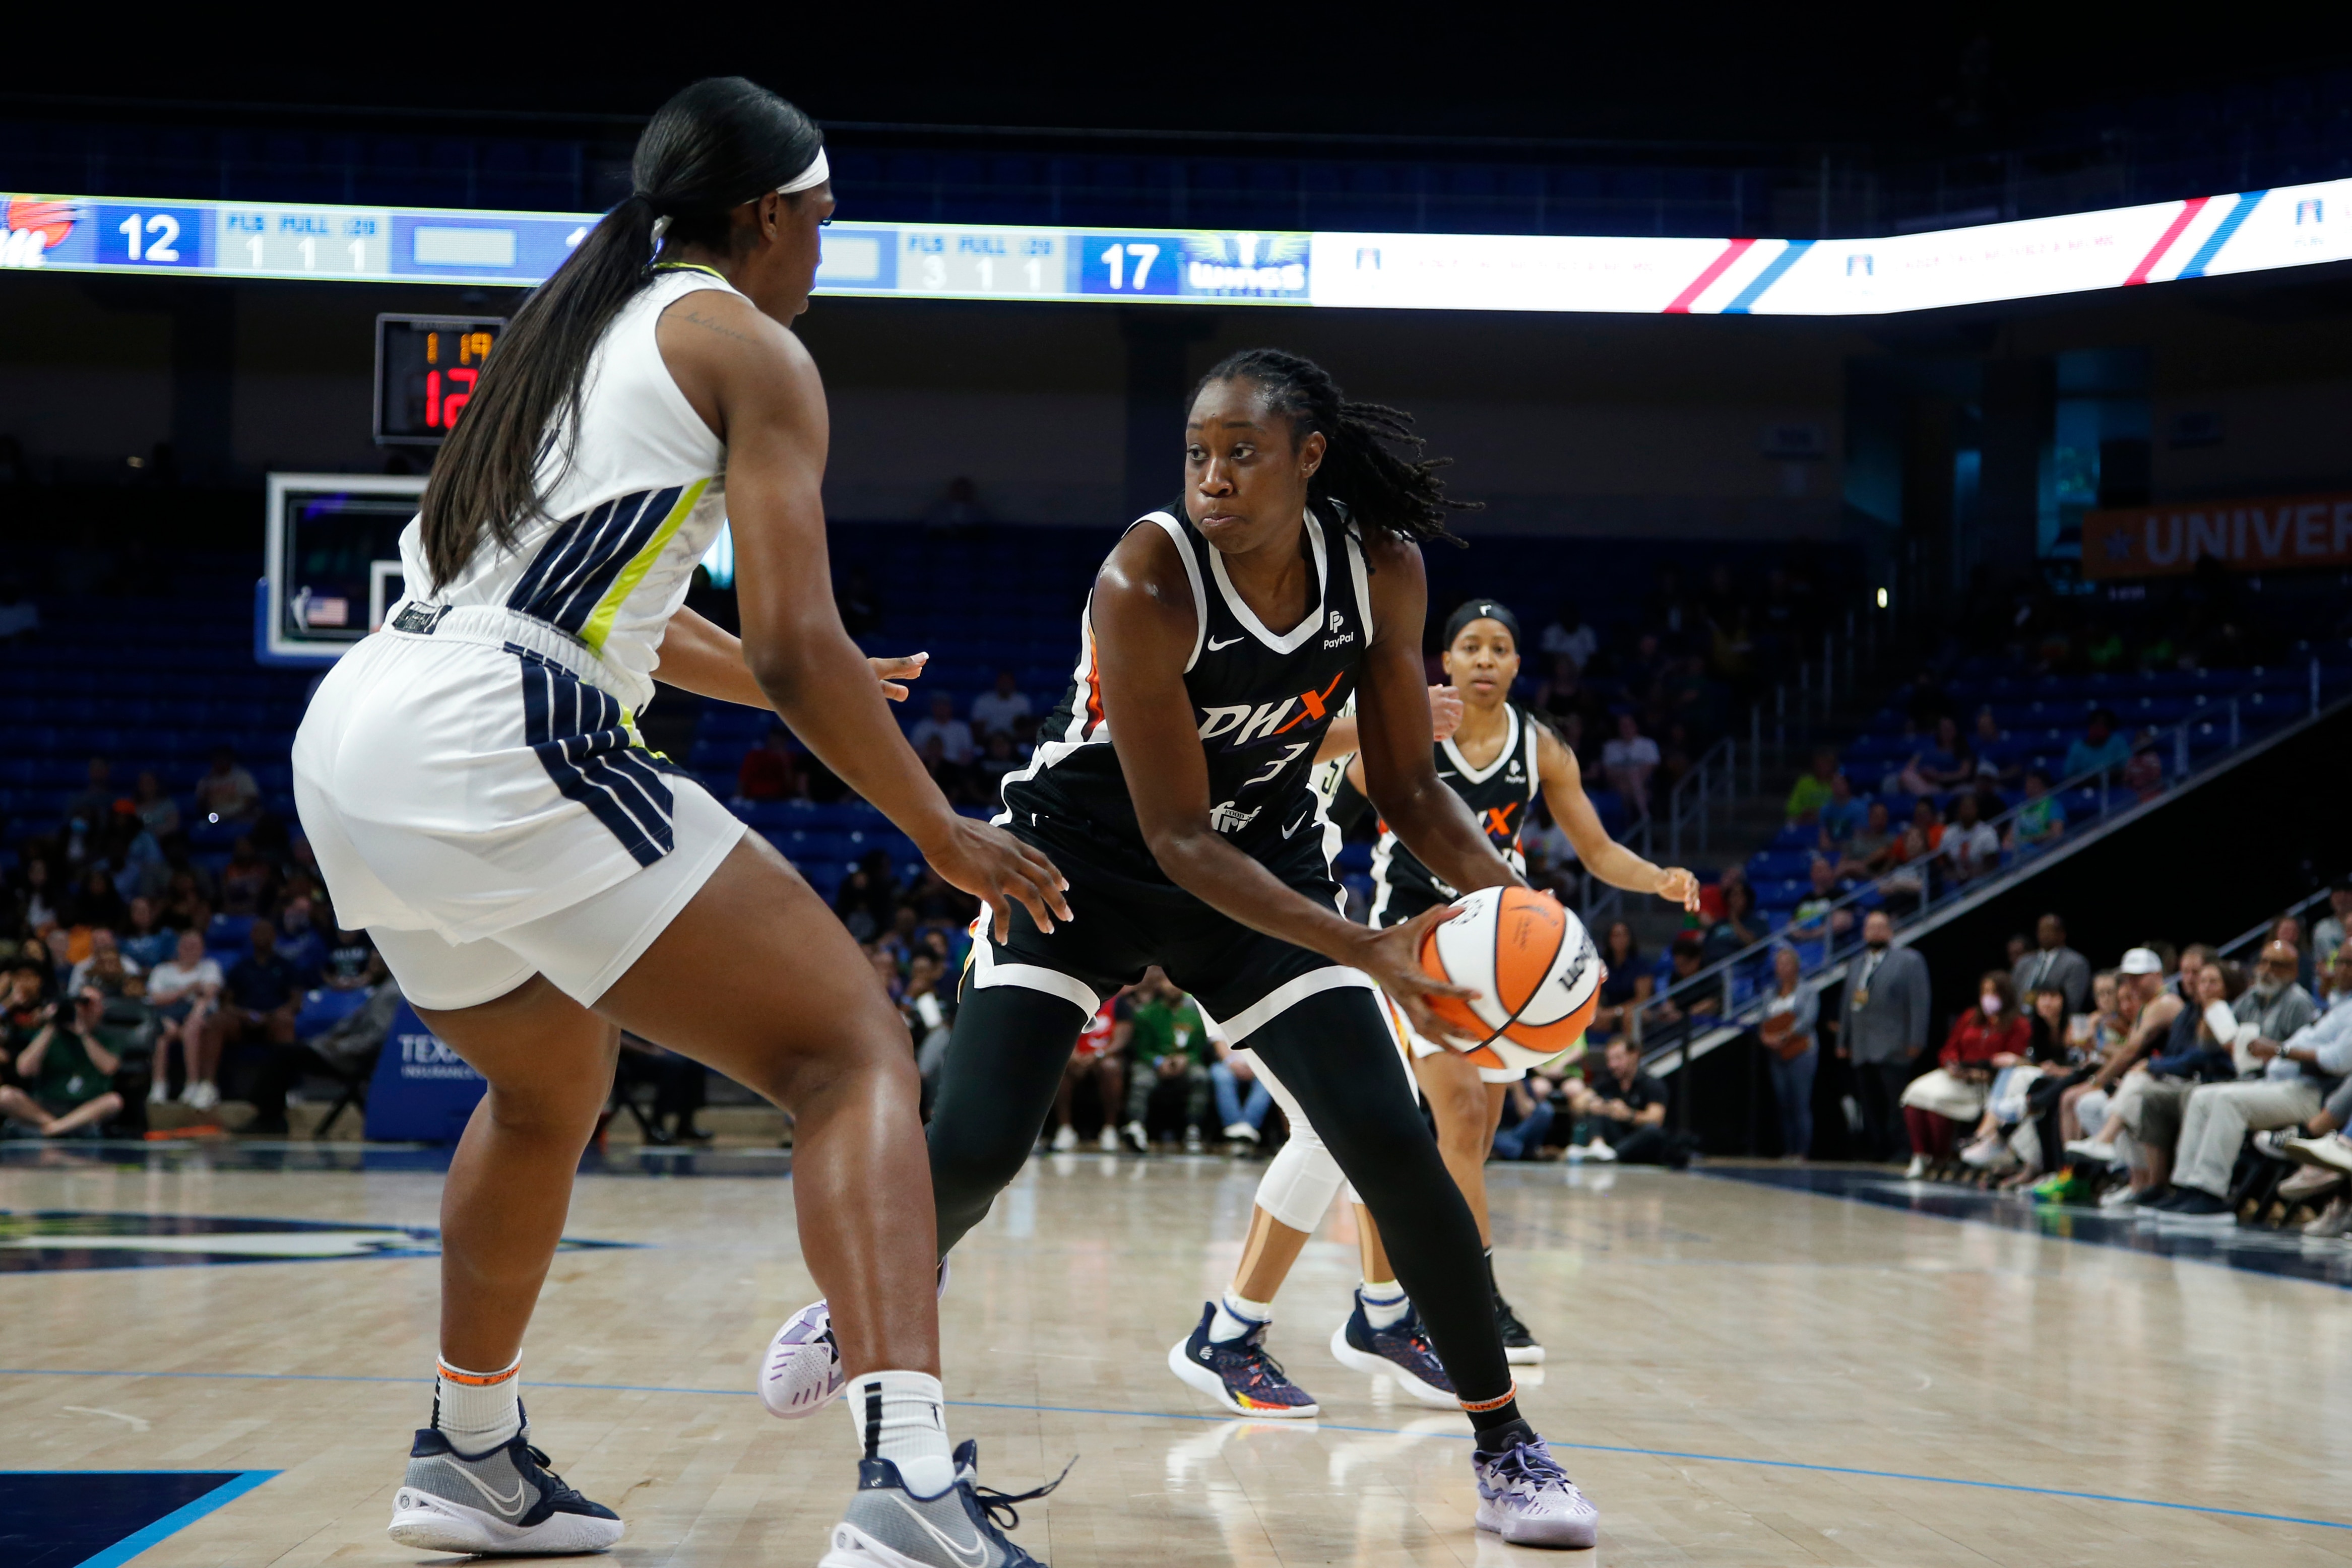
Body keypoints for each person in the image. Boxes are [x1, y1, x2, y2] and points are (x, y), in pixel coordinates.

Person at [288, 80, 1068, 1565]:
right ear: (769, 214)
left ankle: (468, 1448)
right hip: (497, 732)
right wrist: (935, 824)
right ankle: (906, 1479)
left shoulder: (558, 333)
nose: (825, 258)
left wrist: (800, 687)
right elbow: (790, 639)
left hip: (362, 729)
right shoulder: (749, 347)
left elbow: (606, 611)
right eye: (825, 225)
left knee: (545, 1084)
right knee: (849, 1052)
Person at [767, 348, 1600, 1547]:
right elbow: (1170, 834)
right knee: (979, 1141)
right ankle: (866, 1306)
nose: (1212, 474)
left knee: (1391, 1139)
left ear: (1308, 458)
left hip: (1259, 858)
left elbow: (1412, 786)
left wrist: (1530, 914)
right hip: (1082, 858)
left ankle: (1505, 1445)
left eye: (1242, 451)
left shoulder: (1378, 569)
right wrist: (1368, 944)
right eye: (1198, 452)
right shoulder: (1145, 574)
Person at [1253, 596, 1694, 1368]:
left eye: (1499, 648)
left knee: (1474, 1140)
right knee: (1454, 1116)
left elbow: (1593, 850)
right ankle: (1470, 1300)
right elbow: (1328, 803)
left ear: (1517, 665)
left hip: (1503, 950)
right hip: (1416, 945)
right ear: (1444, 664)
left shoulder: (1541, 747)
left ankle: (1418, 1286)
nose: (1485, 660)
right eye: (1470, 647)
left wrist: (1655, 879)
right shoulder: (1408, 730)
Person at [1900, 971, 2029, 1178]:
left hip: (1985, 1081)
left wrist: (1981, 1072)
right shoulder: (1971, 1017)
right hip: (1957, 1074)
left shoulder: (2018, 1024)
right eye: (1985, 992)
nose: (1988, 997)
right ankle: (1920, 1154)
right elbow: (1951, 1046)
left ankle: (1940, 1157)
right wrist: (1951, 1064)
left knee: (1937, 1102)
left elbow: (2012, 1059)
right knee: (1914, 1094)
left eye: (1994, 992)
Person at [1838, 911, 1931, 1162]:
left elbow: (1920, 1003)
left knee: (1895, 1104)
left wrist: (1917, 1040)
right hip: (1862, 1045)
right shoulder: (1857, 964)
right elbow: (1848, 1004)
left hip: (1895, 1045)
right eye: (1871, 927)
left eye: (1881, 927)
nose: (1876, 932)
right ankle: (1877, 1149)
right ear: (1864, 932)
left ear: (1891, 931)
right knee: (1869, 1104)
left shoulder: (1909, 961)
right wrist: (1843, 1040)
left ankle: (1901, 1149)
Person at [0, 987, 123, 1137]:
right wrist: (50, 1026)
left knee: (113, 1101)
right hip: (46, 1105)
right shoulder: (49, 1037)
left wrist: (83, 1034)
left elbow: (109, 1068)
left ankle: (54, 1129)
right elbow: (24, 1070)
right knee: (4, 1095)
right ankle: (58, 1126)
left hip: (85, 1106)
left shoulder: (106, 1039)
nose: (83, 1010)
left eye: (90, 1004)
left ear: (101, 1009)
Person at [1118, 967, 1214, 1151]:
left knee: (1201, 1076)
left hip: (1185, 1063)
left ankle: (1193, 1130)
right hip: (1152, 1063)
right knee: (1141, 1080)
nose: (1172, 987)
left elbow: (1199, 1049)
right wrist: (1158, 1061)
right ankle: (1136, 1128)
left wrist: (1186, 1059)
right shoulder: (1146, 1014)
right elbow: (1141, 1049)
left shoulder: (1195, 1017)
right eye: (1167, 982)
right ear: (1159, 985)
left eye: (1177, 983)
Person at [1569, 1035, 1691, 1166]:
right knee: (1596, 1112)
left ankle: (1611, 1155)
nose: (1612, 1065)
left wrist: (1629, 1115)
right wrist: (1594, 1104)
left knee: (1653, 1132)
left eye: (1618, 1058)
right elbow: (1578, 1103)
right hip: (1613, 1137)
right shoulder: (1607, 1081)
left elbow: (1656, 1119)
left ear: (1634, 1055)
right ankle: (1597, 1147)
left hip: (1638, 1141)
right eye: (1609, 1060)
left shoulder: (1652, 1084)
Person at [145, 929, 224, 1107]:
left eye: (195, 946)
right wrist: (187, 990)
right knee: (163, 1032)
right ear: (179, 948)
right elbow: (156, 998)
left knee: (192, 1028)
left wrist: (191, 1009)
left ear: (203, 949)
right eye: (187, 946)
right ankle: (159, 1085)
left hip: (199, 1017)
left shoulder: (210, 967)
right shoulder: (163, 970)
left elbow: (209, 993)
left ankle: (192, 1084)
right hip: (168, 1016)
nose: (190, 950)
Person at [1757, 944, 1819, 1160]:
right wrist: (1765, 1037)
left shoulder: (1808, 991)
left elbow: (1808, 1020)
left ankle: (1802, 1151)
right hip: (1777, 1054)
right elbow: (1763, 1020)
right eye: (1779, 964)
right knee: (1784, 1103)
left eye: (1787, 964)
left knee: (1800, 1103)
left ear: (1796, 966)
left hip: (1801, 1052)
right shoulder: (1769, 993)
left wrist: (1784, 1036)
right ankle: (1788, 1149)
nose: (1782, 968)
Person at [1049, 994, 1125, 1153]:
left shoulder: (1119, 1004)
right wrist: (1073, 1056)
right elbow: (1061, 1032)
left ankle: (1109, 1130)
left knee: (1110, 1068)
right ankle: (1065, 1129)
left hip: (1104, 1057)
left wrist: (1098, 1055)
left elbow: (1121, 1040)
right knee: (1061, 1067)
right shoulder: (1073, 997)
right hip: (1076, 1057)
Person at [2012, 912, 2091, 1017]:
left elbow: (2073, 1002)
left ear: (2062, 934)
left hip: (2054, 1022)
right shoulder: (2024, 962)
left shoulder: (2076, 963)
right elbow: (2012, 995)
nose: (2045, 935)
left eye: (2050, 930)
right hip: (2020, 1021)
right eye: (2041, 930)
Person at [1601, 711, 1660, 820]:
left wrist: (1629, 775)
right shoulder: (1610, 747)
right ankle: (1645, 816)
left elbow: (1648, 770)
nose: (1626, 728)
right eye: (1623, 725)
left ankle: (1634, 820)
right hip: (1618, 787)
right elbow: (1609, 774)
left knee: (1634, 778)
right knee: (1629, 781)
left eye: (1629, 725)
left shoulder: (1648, 744)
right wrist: (1628, 775)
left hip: (1644, 786)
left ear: (1636, 726)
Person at [193, 746, 262, 825]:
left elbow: (253, 800)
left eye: (223, 759)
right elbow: (200, 805)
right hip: (216, 820)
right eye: (217, 759)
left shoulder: (242, 777)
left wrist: (238, 815)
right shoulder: (206, 781)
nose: (220, 762)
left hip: (240, 819)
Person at [909, 692, 976, 768]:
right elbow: (914, 752)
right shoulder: (923, 726)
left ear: (951, 707)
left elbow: (968, 755)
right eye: (938, 705)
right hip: (926, 768)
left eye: (944, 705)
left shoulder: (961, 728)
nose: (941, 708)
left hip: (954, 769)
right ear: (932, 707)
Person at [2063, 709, 2131, 778]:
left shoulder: (2117, 742)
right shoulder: (2077, 746)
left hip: (2113, 785)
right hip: (2083, 786)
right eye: (2095, 724)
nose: (2098, 727)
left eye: (2103, 724)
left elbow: (2128, 767)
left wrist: (2106, 776)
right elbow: (2069, 774)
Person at [970, 669, 1032, 738]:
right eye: (1003, 681)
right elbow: (977, 725)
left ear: (1013, 683)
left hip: (1014, 739)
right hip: (989, 739)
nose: (1005, 684)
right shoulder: (983, 700)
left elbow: (1026, 726)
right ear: (997, 683)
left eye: (1008, 682)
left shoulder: (1022, 701)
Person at [1784, 749, 1839, 826]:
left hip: (1831, 822)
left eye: (1826, 764)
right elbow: (1792, 808)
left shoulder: (1839, 782)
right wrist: (1804, 813)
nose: (1823, 767)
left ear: (1833, 766)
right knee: (1790, 822)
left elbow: (1845, 807)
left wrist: (1820, 813)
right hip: (1806, 820)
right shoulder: (1804, 782)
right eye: (1820, 764)